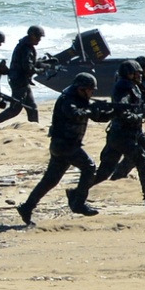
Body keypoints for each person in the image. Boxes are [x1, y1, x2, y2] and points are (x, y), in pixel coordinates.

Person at [16, 72, 113, 225]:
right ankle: (78, 202)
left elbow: (97, 117)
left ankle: (27, 207)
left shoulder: (80, 99)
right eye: (90, 90)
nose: (92, 93)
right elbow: (74, 113)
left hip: (65, 146)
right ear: (81, 89)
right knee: (89, 167)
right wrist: (91, 110)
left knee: (50, 180)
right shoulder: (67, 99)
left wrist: (112, 112)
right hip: (64, 145)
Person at [91, 60, 145, 212]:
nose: (141, 76)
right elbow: (123, 110)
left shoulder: (133, 86)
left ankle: (77, 193)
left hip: (133, 133)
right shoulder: (123, 88)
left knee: (107, 170)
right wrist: (137, 116)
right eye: (137, 73)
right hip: (122, 135)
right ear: (129, 74)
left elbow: (139, 103)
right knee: (140, 161)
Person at [0, 25, 45, 130]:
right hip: (19, 81)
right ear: (32, 35)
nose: (39, 40)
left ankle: (35, 129)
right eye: (38, 37)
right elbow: (28, 68)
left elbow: (27, 64)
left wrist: (40, 63)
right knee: (15, 109)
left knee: (32, 108)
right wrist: (41, 70)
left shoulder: (25, 45)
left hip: (21, 80)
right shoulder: (26, 48)